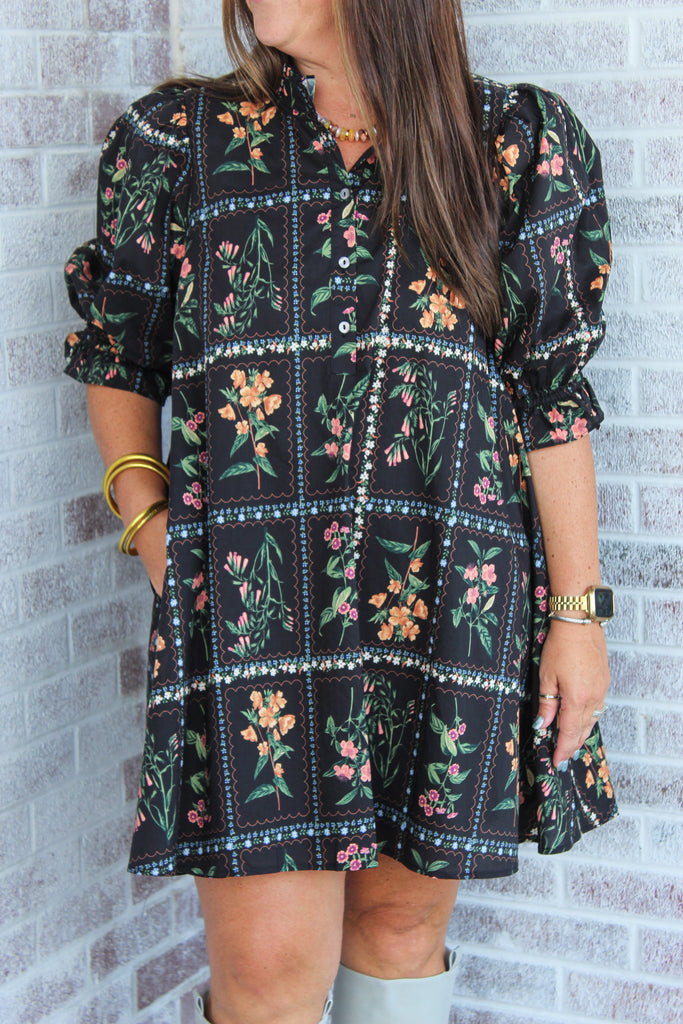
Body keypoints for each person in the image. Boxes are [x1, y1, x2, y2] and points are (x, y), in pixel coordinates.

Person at [63, 2, 618, 1022]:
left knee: (398, 933)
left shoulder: (511, 143)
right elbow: (118, 353)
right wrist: (151, 530)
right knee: (268, 975)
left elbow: (547, 400)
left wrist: (576, 617)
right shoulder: (179, 142)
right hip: (256, 623)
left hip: (448, 614)